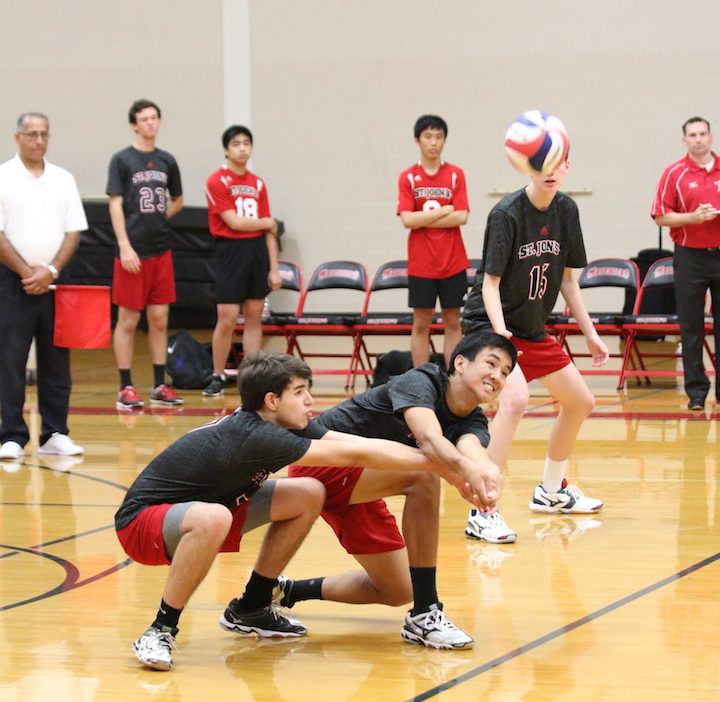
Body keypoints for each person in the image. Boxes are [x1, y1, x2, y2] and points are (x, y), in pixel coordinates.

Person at [117, 351, 488, 671]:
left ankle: (254, 604)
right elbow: (356, 455)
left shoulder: (278, 422)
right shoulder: (257, 434)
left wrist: (445, 463)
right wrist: (455, 468)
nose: (310, 400)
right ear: (272, 401)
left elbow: (358, 443)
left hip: (216, 506)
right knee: (214, 517)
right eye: (300, 393)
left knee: (309, 492)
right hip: (145, 521)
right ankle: (161, 629)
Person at [273, 332, 515, 650]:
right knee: (422, 476)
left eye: (506, 372)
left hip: (362, 484)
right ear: (460, 362)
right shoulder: (420, 381)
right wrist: (464, 472)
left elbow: (473, 450)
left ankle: (284, 592)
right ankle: (425, 613)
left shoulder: (473, 419)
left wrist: (487, 472)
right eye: (492, 364)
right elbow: (429, 440)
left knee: (398, 589)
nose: (497, 376)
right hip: (321, 464)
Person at [461, 153, 609, 544]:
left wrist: (590, 333)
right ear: (528, 168)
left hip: (531, 328)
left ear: (568, 167)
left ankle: (550, 491)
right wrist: (498, 336)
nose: (551, 173)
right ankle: (483, 510)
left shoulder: (567, 210)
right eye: (543, 166)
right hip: (489, 324)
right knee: (514, 401)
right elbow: (489, 284)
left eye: (559, 164)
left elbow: (568, 282)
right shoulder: (506, 213)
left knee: (580, 401)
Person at [0, 112, 87, 460]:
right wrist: (25, 271)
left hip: (54, 283)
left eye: (44, 135)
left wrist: (50, 270)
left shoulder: (63, 179)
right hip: (11, 281)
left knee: (56, 361)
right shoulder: (3, 177)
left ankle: (55, 433)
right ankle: (11, 435)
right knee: (10, 359)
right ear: (17, 137)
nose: (39, 140)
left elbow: (73, 231)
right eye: (32, 134)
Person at [107, 99, 184, 410]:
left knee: (159, 319)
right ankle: (126, 386)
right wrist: (124, 244)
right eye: (145, 119)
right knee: (128, 320)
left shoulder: (167, 160)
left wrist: (161, 217)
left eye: (155, 118)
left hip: (161, 251)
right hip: (133, 253)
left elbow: (177, 199)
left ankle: (159, 384)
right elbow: (114, 203)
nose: (151, 123)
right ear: (134, 124)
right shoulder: (122, 160)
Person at [202, 125, 280, 397]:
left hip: (256, 251)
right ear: (226, 149)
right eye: (236, 143)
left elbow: (269, 231)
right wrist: (265, 222)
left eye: (247, 143)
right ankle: (217, 375)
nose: (242, 148)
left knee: (254, 316)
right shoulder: (216, 181)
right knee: (226, 318)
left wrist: (273, 267)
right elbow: (233, 222)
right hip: (230, 251)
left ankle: (252, 377)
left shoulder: (258, 183)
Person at [651, 116, 720, 410]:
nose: (698, 139)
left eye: (703, 133)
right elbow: (660, 215)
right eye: (692, 135)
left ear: (711, 137)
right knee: (690, 327)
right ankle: (696, 393)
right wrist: (693, 217)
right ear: (685, 140)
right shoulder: (674, 173)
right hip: (689, 255)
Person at [397, 114, 470, 368]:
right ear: (418, 140)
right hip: (421, 264)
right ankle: (420, 379)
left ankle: (453, 376)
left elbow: (462, 215)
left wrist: (423, 218)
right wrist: (443, 211)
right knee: (421, 322)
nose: (433, 142)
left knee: (453, 321)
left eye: (438, 137)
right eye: (428, 136)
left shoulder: (455, 175)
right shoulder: (408, 177)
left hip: (453, 261)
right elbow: (407, 220)